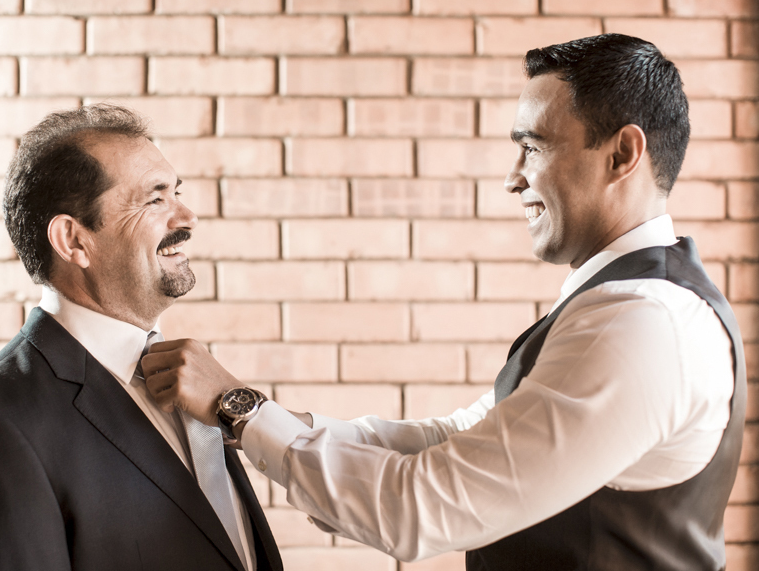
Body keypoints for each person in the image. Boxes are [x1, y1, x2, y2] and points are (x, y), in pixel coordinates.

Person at [140, 34, 746, 570]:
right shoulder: (625, 303)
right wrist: (277, 422)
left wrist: (238, 409)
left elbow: (422, 508)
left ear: (622, 155)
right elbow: (460, 437)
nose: (513, 177)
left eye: (533, 147)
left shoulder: (642, 321)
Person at [0, 104, 282, 571]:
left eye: (176, 193)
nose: (188, 217)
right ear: (73, 241)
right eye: (155, 200)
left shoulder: (193, 380)